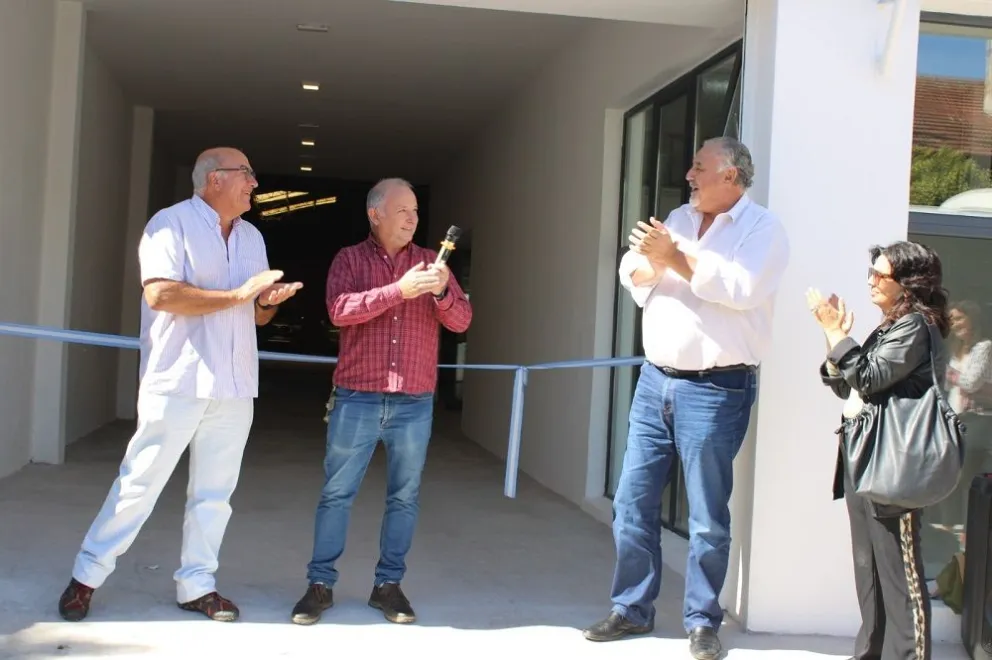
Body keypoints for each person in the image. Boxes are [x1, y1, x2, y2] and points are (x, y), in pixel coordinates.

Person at [57, 147, 302, 623]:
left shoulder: (252, 237)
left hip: (234, 385)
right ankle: (85, 577)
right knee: (139, 484)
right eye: (246, 174)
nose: (254, 183)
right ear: (215, 180)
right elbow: (161, 293)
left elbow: (254, 314)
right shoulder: (169, 224)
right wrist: (236, 295)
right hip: (179, 380)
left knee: (215, 495)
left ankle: (197, 586)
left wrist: (269, 301)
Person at [583, 137, 789, 660]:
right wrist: (656, 262)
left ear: (732, 178)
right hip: (655, 381)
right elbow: (632, 272)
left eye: (700, 167)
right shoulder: (677, 215)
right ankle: (632, 609)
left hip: (717, 389)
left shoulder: (762, 229)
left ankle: (701, 622)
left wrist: (673, 256)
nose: (689, 174)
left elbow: (739, 290)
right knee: (631, 502)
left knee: (704, 514)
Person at [291, 178, 472, 626]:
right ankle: (320, 585)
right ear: (375, 214)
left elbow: (462, 320)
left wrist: (441, 291)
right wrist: (399, 291)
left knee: (405, 498)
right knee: (336, 494)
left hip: (414, 401)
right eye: (402, 210)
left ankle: (388, 586)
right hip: (357, 397)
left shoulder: (434, 263)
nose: (413, 218)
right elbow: (338, 310)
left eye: (415, 210)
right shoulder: (349, 259)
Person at [809, 240, 951, 660]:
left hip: (894, 466)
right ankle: (870, 652)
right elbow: (845, 384)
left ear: (907, 283)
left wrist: (839, 333)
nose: (871, 280)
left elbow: (868, 378)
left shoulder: (915, 326)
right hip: (864, 457)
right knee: (868, 571)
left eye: (880, 275)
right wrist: (831, 340)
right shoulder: (890, 326)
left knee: (900, 577)